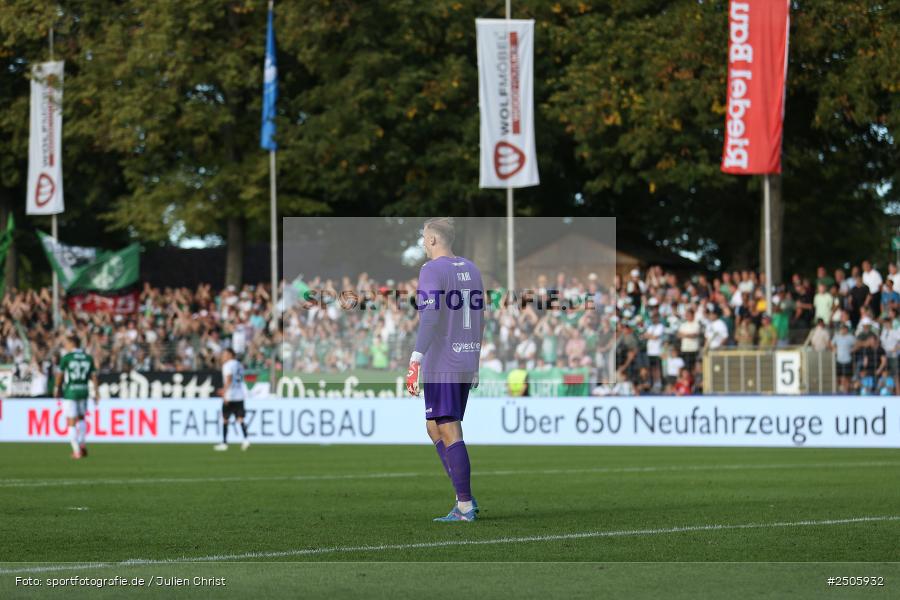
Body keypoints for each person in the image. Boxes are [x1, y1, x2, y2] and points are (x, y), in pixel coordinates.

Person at [406, 217, 484, 522]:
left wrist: (415, 358)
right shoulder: (472, 268)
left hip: (443, 361)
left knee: (448, 426)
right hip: (464, 357)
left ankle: (464, 504)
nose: (424, 243)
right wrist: (475, 361)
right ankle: (463, 495)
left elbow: (430, 317)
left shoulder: (431, 270)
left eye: (425, 238)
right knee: (434, 426)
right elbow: (480, 315)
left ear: (435, 240)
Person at [55, 335, 99, 459]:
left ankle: (76, 451)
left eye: (67, 344)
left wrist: (56, 389)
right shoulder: (88, 358)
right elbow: (94, 377)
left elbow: (60, 375)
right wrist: (96, 392)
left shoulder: (67, 358)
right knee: (82, 418)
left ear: (72, 344)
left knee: (71, 421)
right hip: (84, 391)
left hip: (71, 392)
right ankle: (83, 444)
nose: (66, 346)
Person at [214, 347, 250, 451]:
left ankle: (224, 443)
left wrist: (224, 392)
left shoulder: (227, 365)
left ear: (230, 355)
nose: (223, 356)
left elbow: (229, 379)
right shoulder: (239, 364)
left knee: (225, 419)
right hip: (240, 394)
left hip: (230, 395)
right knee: (240, 419)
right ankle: (246, 439)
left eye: (225, 354)